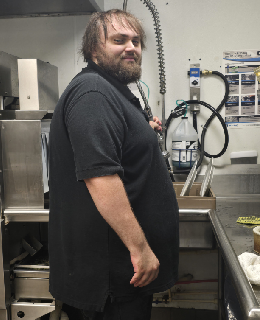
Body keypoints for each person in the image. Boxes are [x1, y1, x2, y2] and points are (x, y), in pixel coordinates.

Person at [48, 9, 179, 320]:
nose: (131, 47)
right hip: (113, 274)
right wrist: (141, 249)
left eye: (135, 41)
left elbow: (113, 151)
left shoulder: (108, 91)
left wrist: (140, 132)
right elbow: (101, 178)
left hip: (121, 273)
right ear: (95, 49)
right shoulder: (93, 92)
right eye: (119, 40)